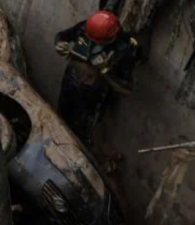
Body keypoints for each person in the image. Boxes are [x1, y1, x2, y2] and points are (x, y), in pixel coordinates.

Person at [54, 10, 141, 143]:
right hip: (71, 81)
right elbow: (62, 35)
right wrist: (59, 44)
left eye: (98, 42)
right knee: (60, 119)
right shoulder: (87, 27)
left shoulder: (125, 47)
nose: (92, 43)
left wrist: (105, 70)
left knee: (80, 133)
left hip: (92, 95)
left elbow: (126, 89)